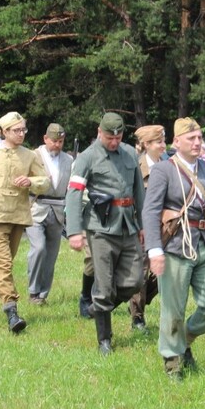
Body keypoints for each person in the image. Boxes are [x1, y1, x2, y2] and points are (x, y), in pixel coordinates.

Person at [141, 117, 205, 380]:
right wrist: (154, 250)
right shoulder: (164, 170)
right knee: (173, 309)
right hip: (175, 245)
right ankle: (173, 363)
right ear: (176, 142)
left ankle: (182, 341)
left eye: (199, 138)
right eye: (191, 138)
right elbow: (150, 211)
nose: (197, 142)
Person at [65, 112, 145, 355]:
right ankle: (104, 340)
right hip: (100, 226)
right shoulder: (87, 157)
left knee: (135, 280)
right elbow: (74, 193)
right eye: (110, 137)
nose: (114, 142)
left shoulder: (131, 153)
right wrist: (74, 231)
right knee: (104, 283)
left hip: (128, 225)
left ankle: (98, 308)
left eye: (118, 137)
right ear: (100, 132)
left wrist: (142, 225)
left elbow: (139, 191)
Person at [0, 112, 50, 332]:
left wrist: (31, 181)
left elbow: (45, 182)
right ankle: (11, 311)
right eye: (17, 130)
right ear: (5, 132)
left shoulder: (30, 155)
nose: (22, 133)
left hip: (18, 216)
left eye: (24, 129)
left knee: (0, 264)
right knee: (3, 264)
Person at [26, 123, 73, 305]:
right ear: (45, 139)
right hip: (35, 208)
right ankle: (33, 291)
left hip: (58, 209)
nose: (57, 145)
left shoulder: (68, 160)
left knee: (51, 254)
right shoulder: (32, 156)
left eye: (60, 141)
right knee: (38, 248)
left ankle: (42, 295)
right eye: (54, 141)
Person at [128, 124, 167, 332]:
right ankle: (137, 316)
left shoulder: (169, 165)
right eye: (158, 142)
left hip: (166, 228)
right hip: (141, 227)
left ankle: (140, 303)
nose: (163, 145)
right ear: (146, 144)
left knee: (162, 273)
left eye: (163, 141)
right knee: (141, 273)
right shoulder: (135, 167)